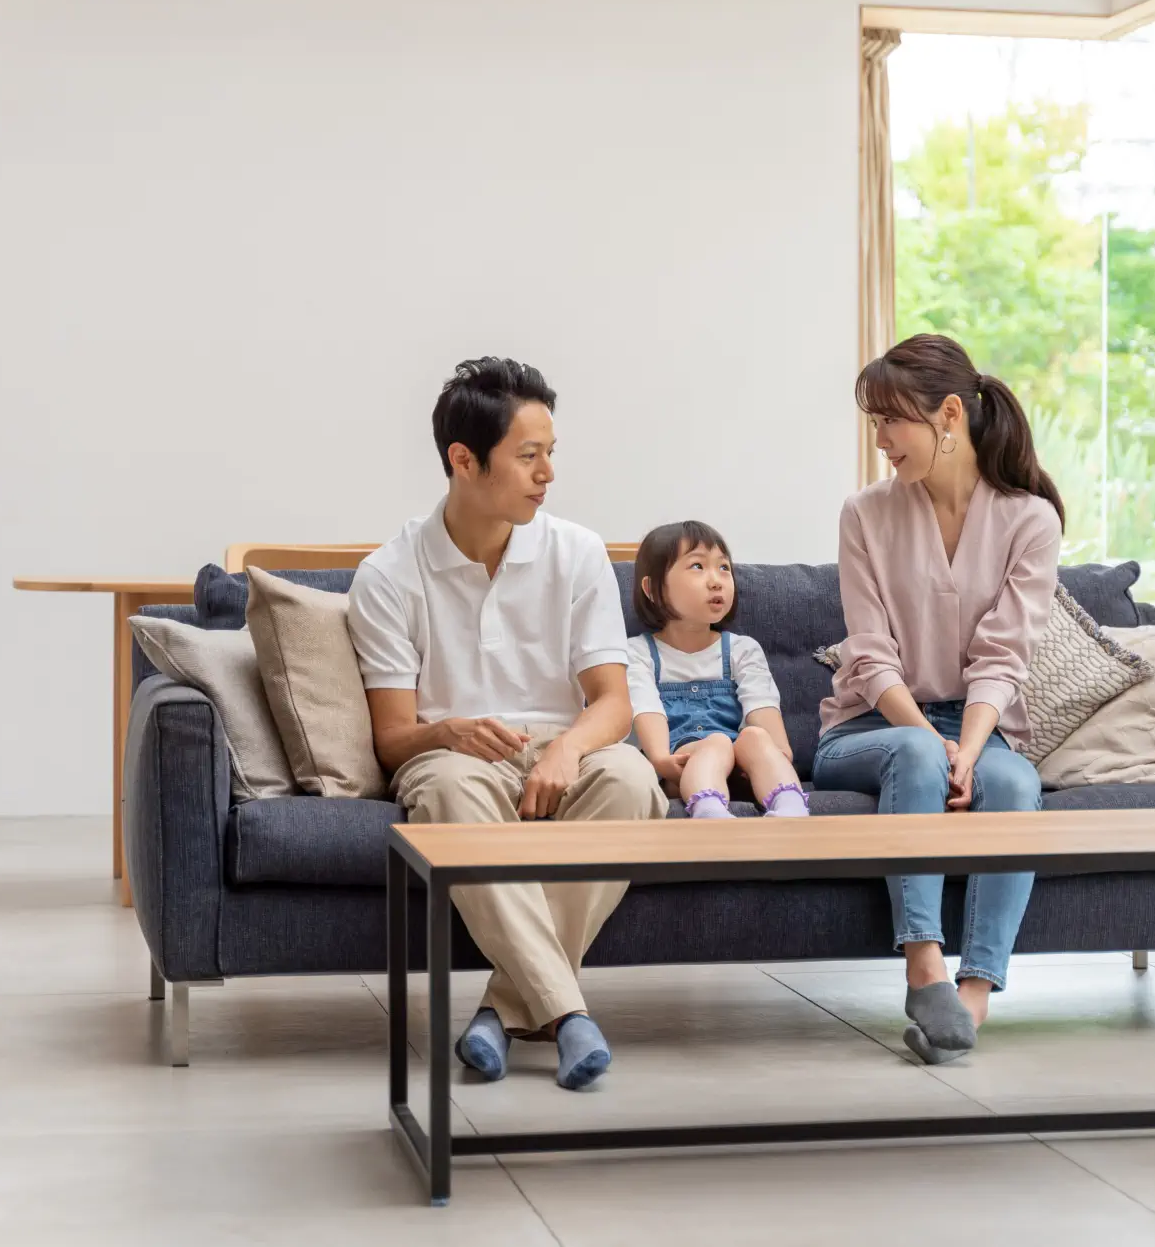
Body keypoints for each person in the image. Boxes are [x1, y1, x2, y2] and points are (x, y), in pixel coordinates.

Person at [347, 358, 659, 1091]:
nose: (547, 473)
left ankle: (503, 1011)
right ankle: (565, 1013)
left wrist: (568, 749)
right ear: (464, 459)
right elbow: (392, 738)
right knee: (448, 791)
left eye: (550, 452)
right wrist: (446, 732)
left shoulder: (577, 552)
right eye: (528, 455)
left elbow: (613, 704)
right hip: (452, 754)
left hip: (563, 744)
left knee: (631, 778)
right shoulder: (389, 575)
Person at [811, 333, 1063, 1065]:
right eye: (875, 423)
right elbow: (869, 654)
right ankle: (924, 966)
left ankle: (971, 999)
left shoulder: (1030, 521)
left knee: (1014, 783)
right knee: (919, 753)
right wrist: (933, 739)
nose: (881, 440)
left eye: (892, 420)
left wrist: (971, 749)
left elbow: (1004, 656)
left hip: (977, 725)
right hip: (870, 726)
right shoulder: (865, 513)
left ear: (949, 413)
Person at [625, 520, 807, 819]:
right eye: (697, 566)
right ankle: (710, 813)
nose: (716, 581)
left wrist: (778, 750)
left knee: (755, 737)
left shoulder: (741, 649)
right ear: (653, 589)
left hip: (742, 766)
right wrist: (660, 759)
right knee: (717, 743)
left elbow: (761, 703)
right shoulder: (639, 652)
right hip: (681, 767)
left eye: (724, 568)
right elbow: (646, 708)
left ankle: (791, 810)